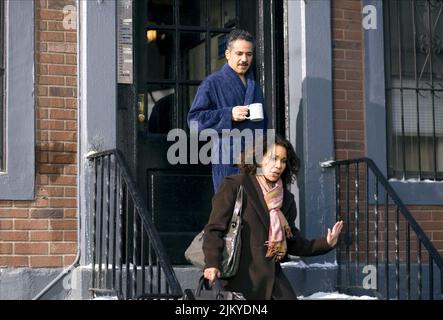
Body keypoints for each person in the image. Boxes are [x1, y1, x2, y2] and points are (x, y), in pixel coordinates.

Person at [202, 135, 344, 300]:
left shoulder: (286, 199)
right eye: (273, 158)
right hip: (238, 278)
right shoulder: (235, 185)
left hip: (272, 279)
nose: (278, 165)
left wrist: (326, 243)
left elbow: (292, 242)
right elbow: (214, 228)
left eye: (283, 161)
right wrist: (211, 263)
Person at [187, 29, 267, 192]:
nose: (244, 59)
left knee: (254, 213)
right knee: (228, 211)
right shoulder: (212, 83)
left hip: (256, 160)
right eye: (239, 53)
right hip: (228, 159)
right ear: (227, 53)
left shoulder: (254, 85)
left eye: (249, 54)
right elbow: (194, 121)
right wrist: (228, 114)